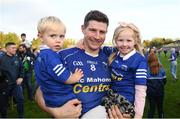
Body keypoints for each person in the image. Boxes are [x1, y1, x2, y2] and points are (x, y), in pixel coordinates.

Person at [35, 10, 125, 118]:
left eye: (102, 32)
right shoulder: (62, 56)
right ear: (83, 29)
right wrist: (55, 112)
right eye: (92, 30)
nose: (97, 36)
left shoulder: (111, 57)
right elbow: (40, 92)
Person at [34, 16, 84, 110]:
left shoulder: (43, 54)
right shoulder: (50, 57)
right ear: (40, 37)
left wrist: (75, 46)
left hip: (51, 97)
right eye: (53, 36)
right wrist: (75, 77)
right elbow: (64, 77)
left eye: (61, 36)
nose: (58, 40)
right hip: (62, 98)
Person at [102, 22, 147, 118]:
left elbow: (141, 90)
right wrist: (82, 42)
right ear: (115, 40)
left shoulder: (139, 60)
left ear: (135, 41)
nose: (124, 44)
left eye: (129, 40)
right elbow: (101, 48)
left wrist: (138, 115)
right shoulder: (115, 52)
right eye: (120, 40)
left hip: (124, 104)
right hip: (110, 98)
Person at [0, 42, 24, 118]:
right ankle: (4, 116)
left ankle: (21, 116)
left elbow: (22, 68)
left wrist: (21, 77)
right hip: (4, 86)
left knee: (20, 99)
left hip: (15, 84)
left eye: (15, 48)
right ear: (7, 49)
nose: (15, 49)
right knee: (3, 104)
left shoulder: (16, 58)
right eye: (13, 48)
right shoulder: (1, 59)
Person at [147, 52, 166, 118]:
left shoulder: (146, 69)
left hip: (150, 92)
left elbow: (144, 83)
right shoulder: (162, 69)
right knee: (160, 109)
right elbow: (164, 81)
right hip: (160, 92)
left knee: (151, 108)